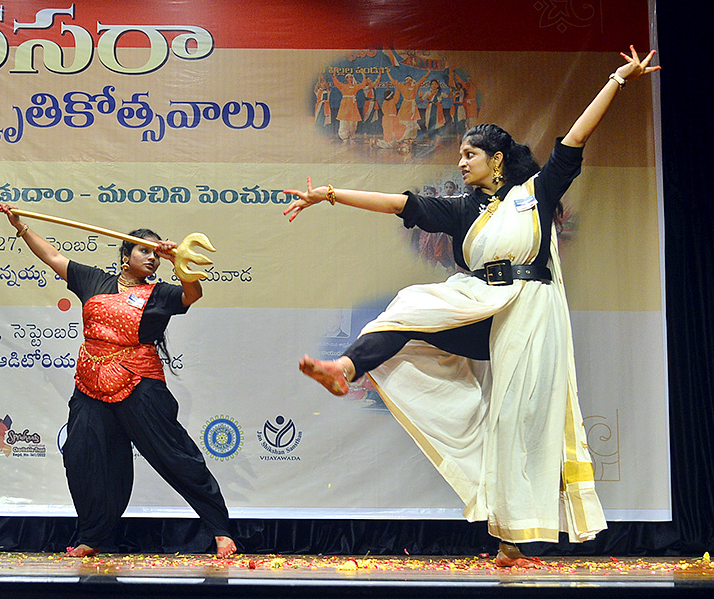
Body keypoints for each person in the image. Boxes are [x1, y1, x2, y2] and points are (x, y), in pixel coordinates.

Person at [281, 46, 658, 567]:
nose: (459, 163)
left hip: (529, 313)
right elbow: (400, 204)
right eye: (459, 155)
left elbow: (574, 139)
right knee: (409, 307)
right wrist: (327, 194)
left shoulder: (536, 193)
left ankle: (508, 540)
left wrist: (617, 80)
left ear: (495, 159)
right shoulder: (461, 209)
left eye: (468, 155)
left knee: (515, 425)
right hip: (480, 308)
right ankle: (344, 368)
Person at [0, 205, 237, 558]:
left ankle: (220, 530)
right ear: (125, 256)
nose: (152, 258)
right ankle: (92, 536)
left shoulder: (159, 293)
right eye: (145, 250)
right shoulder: (93, 280)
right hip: (90, 383)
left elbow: (193, 295)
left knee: (174, 456)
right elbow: (51, 255)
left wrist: (178, 263)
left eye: (156, 253)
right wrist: (20, 226)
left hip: (139, 384)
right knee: (84, 457)